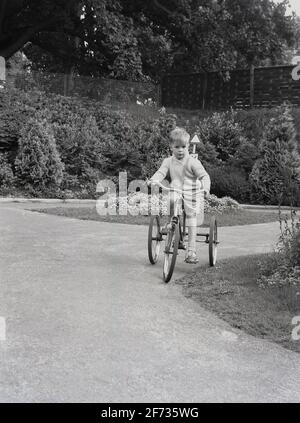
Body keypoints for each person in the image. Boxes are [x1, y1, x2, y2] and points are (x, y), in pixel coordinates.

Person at [148, 127, 210, 264]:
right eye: (177, 147)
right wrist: (154, 180)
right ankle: (171, 222)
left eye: (183, 146)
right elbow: (161, 172)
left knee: (191, 217)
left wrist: (205, 187)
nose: (180, 150)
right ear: (171, 147)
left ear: (188, 145)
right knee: (170, 199)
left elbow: (204, 176)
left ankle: (191, 251)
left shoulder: (193, 162)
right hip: (176, 190)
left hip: (191, 191)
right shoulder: (168, 161)